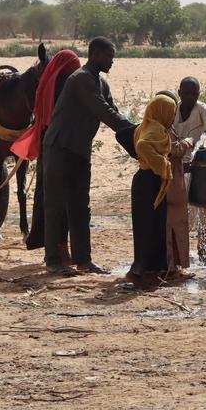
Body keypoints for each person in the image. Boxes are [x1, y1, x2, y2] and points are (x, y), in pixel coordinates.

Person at [41, 37, 134, 276]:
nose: (112, 61)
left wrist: (136, 133)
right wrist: (136, 132)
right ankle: (53, 261)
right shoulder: (81, 79)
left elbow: (114, 111)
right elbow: (103, 112)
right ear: (95, 55)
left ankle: (84, 260)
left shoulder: (101, 82)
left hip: (80, 149)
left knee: (81, 206)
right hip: (60, 147)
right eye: (109, 56)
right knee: (56, 205)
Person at [10, 48, 81, 253]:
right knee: (55, 200)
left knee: (47, 197)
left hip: (49, 146)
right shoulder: (64, 86)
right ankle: (56, 251)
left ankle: (50, 246)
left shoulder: (49, 86)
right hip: (57, 149)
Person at [168, 77, 206, 269]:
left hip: (193, 163)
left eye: (195, 94)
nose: (191, 97)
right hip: (173, 163)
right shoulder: (171, 109)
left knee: (205, 210)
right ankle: (177, 254)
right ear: (180, 92)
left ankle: (203, 252)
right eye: (187, 93)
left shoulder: (201, 109)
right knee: (181, 212)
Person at [128, 93, 177, 280]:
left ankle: (152, 265)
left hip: (147, 180)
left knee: (153, 223)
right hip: (149, 180)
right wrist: (162, 165)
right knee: (148, 224)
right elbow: (142, 146)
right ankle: (142, 266)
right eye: (171, 113)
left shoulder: (146, 125)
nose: (172, 117)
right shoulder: (155, 129)